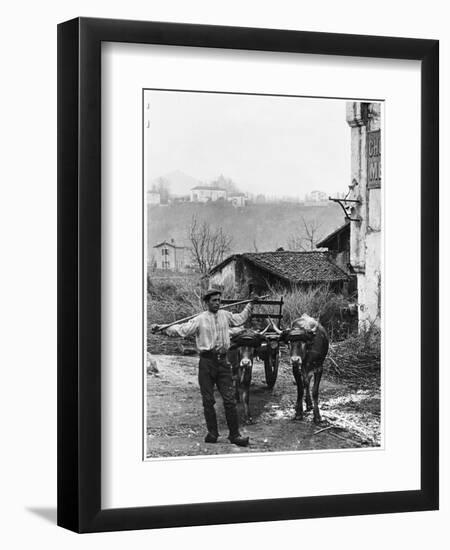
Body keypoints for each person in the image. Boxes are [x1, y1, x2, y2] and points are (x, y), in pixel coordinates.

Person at [151, 286, 255, 447]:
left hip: (223, 363)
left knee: (229, 400)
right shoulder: (199, 319)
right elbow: (181, 330)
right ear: (207, 302)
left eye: (219, 300)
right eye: (214, 301)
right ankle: (213, 433)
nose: (217, 303)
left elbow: (240, 318)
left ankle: (235, 435)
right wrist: (163, 328)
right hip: (206, 363)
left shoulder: (226, 316)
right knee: (208, 400)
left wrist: (250, 305)